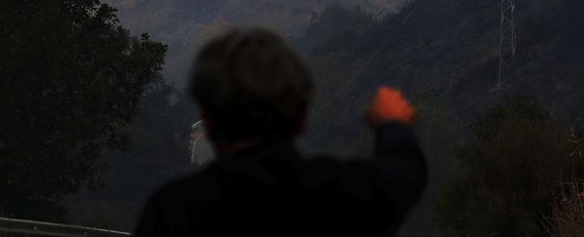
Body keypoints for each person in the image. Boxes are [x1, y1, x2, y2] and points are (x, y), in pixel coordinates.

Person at [134, 27, 427, 236]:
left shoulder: (172, 210)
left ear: (208, 120)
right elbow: (404, 172)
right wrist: (393, 124)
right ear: (302, 118)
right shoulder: (341, 194)